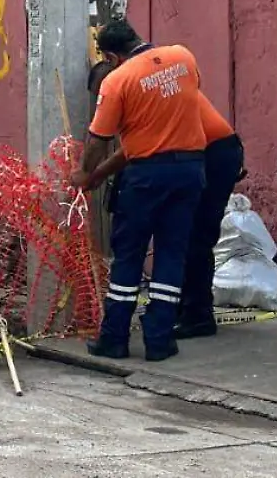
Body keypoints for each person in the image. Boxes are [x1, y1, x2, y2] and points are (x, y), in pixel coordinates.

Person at [68, 19, 208, 362]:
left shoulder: (117, 81)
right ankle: (159, 340)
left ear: (112, 56)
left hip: (146, 176)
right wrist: (100, 173)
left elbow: (98, 140)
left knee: (128, 254)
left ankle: (114, 337)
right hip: (190, 170)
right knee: (172, 254)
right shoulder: (183, 57)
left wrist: (85, 173)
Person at [178, 98, 246, 339]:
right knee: (186, 234)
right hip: (212, 151)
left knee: (197, 236)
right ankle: (185, 308)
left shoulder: (138, 85)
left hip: (216, 154)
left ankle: (198, 317)